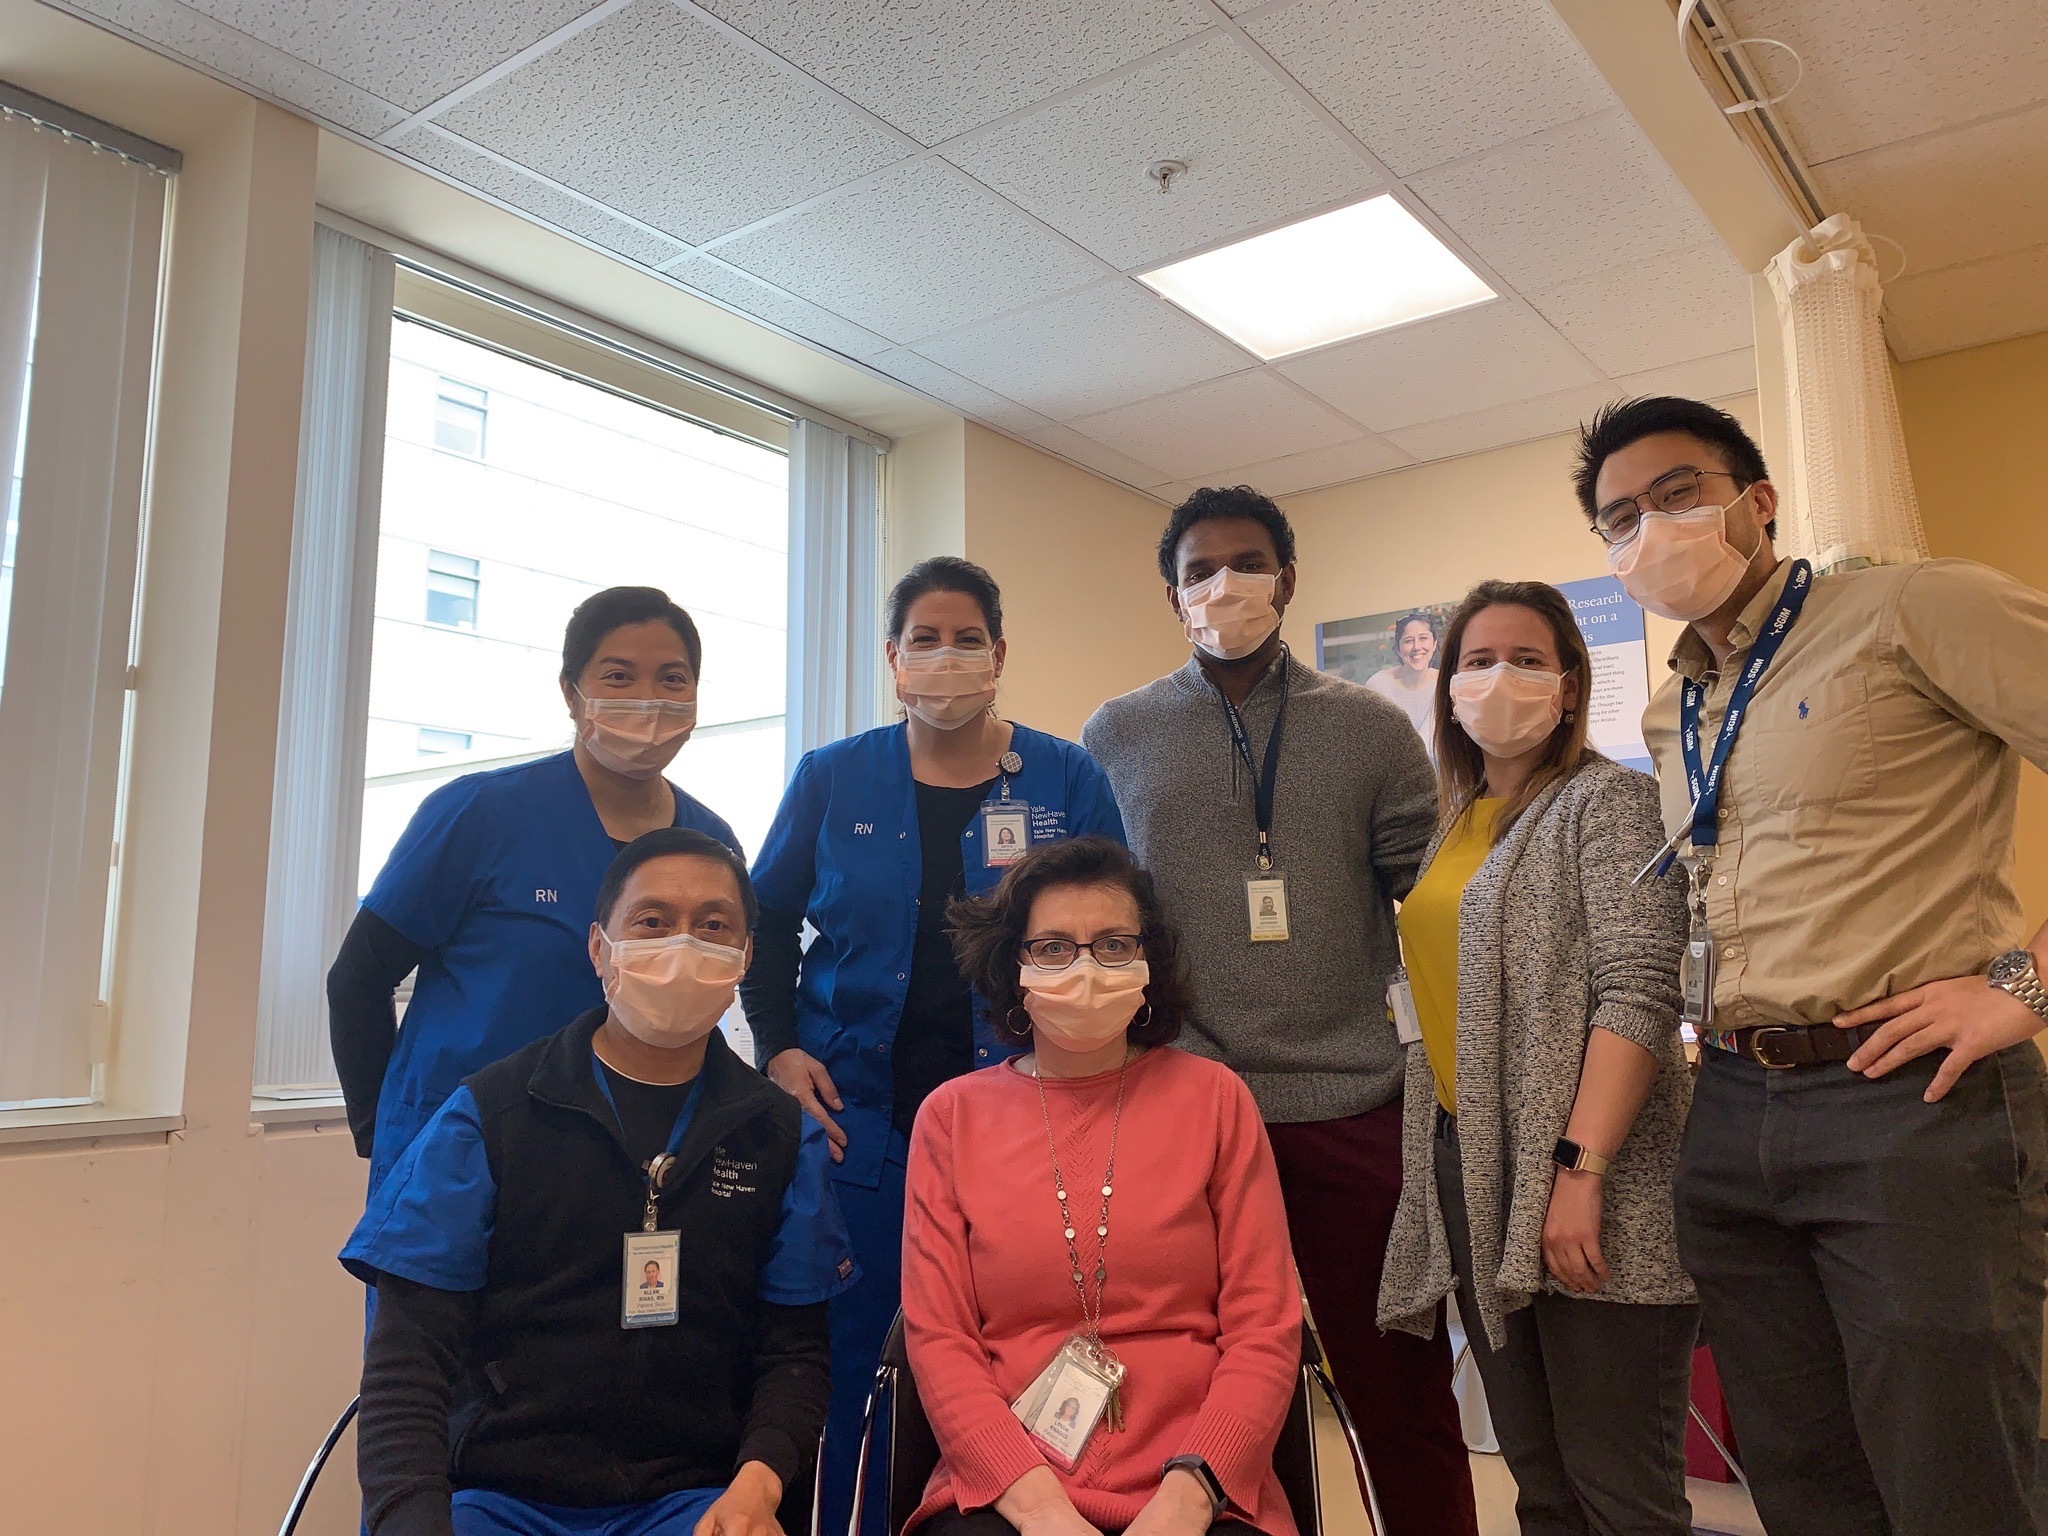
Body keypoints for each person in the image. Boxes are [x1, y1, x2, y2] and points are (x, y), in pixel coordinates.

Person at [1576, 395, 2048, 1536]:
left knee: (1951, 1469)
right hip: (1732, 1106)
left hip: (1905, 1094)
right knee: (1797, 1470)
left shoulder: (1912, 607)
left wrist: (2022, 989)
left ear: (1757, 500)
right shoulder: (1667, 708)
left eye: (1675, 491)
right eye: (1617, 515)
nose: (1649, 526)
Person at [1082, 486, 1473, 1536]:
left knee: (1399, 1393)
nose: (1224, 588)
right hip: (1185, 1109)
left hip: (1352, 1102)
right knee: (1209, 1400)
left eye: (1246, 564)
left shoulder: (1369, 727)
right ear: (1171, 595)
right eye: (1199, 571)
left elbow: (1429, 898)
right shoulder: (1114, 734)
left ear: (1287, 581)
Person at [742, 557, 1127, 1536]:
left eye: (966, 639)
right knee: (847, 1365)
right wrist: (778, 1049)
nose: (944, 656)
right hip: (854, 1130)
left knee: (1016, 1358)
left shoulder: (1064, 775)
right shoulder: (832, 777)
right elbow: (763, 918)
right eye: (923, 638)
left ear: (998, 655)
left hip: (1025, 1126)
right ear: (891, 656)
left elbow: (1117, 923)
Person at [342, 828, 857, 1536]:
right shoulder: (488, 1119)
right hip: (496, 1498)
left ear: (744, 956)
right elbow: (407, 1364)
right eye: (652, 922)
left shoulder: (776, 1134)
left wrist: (758, 1486)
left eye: (713, 926)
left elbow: (794, 1357)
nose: (682, 945)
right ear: (598, 947)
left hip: (694, 1500)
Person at [1378, 580, 1697, 1536]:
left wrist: (1579, 1169)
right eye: (1476, 661)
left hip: (1588, 1175)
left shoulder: (1611, 804)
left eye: (1525, 659)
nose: (1497, 679)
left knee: (1619, 1488)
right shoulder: (1454, 824)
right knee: (1540, 1480)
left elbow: (1639, 991)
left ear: (1568, 687)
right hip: (1473, 1169)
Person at [901, 837, 1302, 1536]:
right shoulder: (951, 1118)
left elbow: (1264, 1327)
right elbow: (940, 1341)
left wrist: (1189, 1497)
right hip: (1008, 1486)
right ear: (1013, 967)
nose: (1085, 967)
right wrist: (1039, 1510)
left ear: (1148, 960)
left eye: (1113, 944)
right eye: (1053, 947)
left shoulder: (1216, 1100)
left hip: (1202, 1485)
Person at [329, 585, 741, 1201]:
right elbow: (358, 978)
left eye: (673, 678)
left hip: (631, 1153)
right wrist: (384, 1131)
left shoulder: (709, 844)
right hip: (461, 1150)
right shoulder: (480, 815)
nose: (648, 699)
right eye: (619, 676)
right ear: (571, 694)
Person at [1362, 612, 1440, 755]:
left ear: (1434, 644)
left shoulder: (1446, 684)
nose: (1417, 647)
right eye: (1408, 641)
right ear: (1398, 649)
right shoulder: (1379, 686)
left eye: (1423, 638)